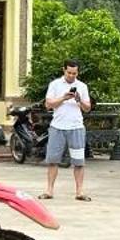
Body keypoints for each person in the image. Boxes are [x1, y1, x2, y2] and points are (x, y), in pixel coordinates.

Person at [40, 58, 93, 202]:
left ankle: (79, 191)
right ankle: (49, 190)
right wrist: (63, 98)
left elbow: (87, 108)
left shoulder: (82, 86)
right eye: (69, 72)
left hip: (76, 127)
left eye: (74, 73)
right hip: (57, 127)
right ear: (64, 70)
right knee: (52, 160)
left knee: (79, 161)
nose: (71, 76)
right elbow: (48, 104)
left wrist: (78, 99)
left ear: (78, 72)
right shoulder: (55, 84)